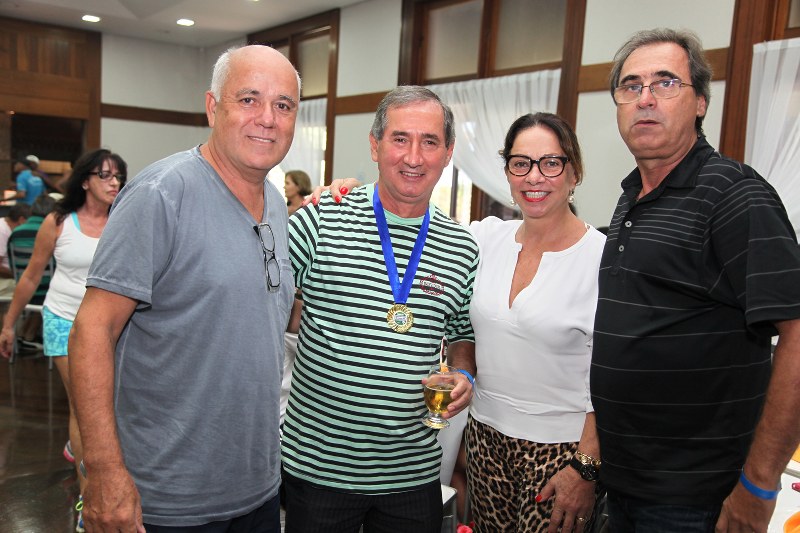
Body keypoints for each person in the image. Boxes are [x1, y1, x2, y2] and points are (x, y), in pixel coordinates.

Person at [68, 45, 298, 532]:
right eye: (249, 99)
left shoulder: (277, 204)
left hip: (257, 488)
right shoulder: (160, 195)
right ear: (213, 107)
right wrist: (104, 470)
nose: (267, 118)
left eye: (283, 105)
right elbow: (91, 331)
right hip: (167, 497)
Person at [591, 28, 800, 533]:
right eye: (631, 85)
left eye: (665, 83)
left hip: (694, 499)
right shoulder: (632, 197)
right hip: (625, 485)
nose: (645, 99)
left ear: (700, 102)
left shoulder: (734, 195)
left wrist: (759, 484)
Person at [281, 86, 478, 533]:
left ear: (448, 153)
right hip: (319, 471)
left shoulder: (462, 246)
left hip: (413, 474)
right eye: (400, 139)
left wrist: (463, 375)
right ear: (375, 146)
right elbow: (259, 298)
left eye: (430, 142)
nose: (414, 157)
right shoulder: (321, 218)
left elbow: (462, 334)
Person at [464, 112, 605, 533]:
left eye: (551, 163)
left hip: (562, 453)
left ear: (574, 172)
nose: (534, 177)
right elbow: (412, 228)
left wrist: (586, 466)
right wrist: (349, 192)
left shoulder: (603, 258)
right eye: (520, 163)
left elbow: (616, 373)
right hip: (485, 439)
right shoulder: (485, 238)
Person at [0, 148, 126, 533]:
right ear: (85, 180)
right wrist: (9, 324)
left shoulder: (124, 220)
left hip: (108, 326)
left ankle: (78, 449)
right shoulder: (58, 221)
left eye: (118, 176)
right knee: (84, 405)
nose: (114, 183)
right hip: (62, 319)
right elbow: (30, 276)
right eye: (105, 175)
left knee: (109, 403)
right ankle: (89, 495)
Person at [7, 194, 57, 341]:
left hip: (22, 285)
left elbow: (11, 263)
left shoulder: (16, 232)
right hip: (46, 288)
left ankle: (25, 335)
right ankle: (29, 336)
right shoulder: (52, 230)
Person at [0, 203, 31, 300]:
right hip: (5, 280)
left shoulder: (7, 226)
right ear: (21, 220)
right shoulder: (2, 231)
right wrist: (19, 275)